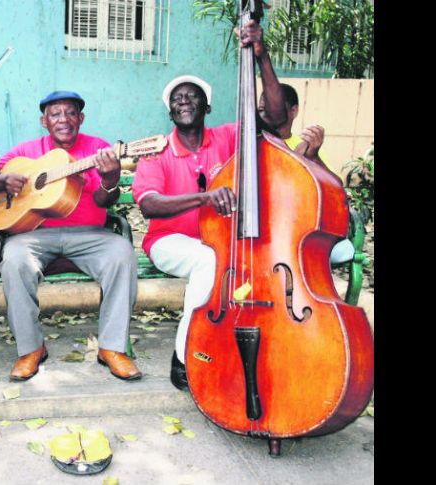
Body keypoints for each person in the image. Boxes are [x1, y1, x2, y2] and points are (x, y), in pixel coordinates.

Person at [131, 19, 286, 391]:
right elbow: (149, 206)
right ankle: (185, 357)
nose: (184, 101)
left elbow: (277, 118)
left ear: (208, 106)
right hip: (170, 243)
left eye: (192, 96)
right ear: (170, 112)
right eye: (176, 99)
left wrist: (261, 57)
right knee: (209, 260)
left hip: (225, 240)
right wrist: (204, 197)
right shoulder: (156, 151)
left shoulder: (230, 137)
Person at [0, 91, 142, 382]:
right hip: (35, 235)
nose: (63, 119)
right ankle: (30, 348)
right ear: (44, 121)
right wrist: (3, 180)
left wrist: (110, 179)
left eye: (70, 113)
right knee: (14, 258)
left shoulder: (99, 149)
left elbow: (106, 202)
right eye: (55, 114)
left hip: (90, 236)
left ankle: (112, 347)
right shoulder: (26, 151)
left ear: (81, 118)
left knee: (122, 253)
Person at [258, 83, 355, 264]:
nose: (266, 115)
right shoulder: (251, 143)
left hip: (303, 226)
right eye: (262, 109)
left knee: (342, 250)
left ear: (293, 111)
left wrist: (313, 158)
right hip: (264, 229)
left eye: (274, 108)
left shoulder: (308, 144)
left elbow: (335, 188)